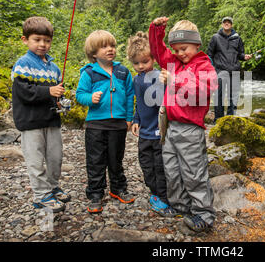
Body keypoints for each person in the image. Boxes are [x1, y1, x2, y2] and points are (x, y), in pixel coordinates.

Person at [149, 16, 217, 232]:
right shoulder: (173, 63)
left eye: (184, 48)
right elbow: (157, 51)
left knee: (194, 173)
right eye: (176, 49)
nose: (180, 53)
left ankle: (204, 215)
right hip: (170, 127)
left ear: (197, 45)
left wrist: (174, 80)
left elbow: (204, 90)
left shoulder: (204, 65)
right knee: (172, 169)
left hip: (191, 129)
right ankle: (181, 206)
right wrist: (156, 29)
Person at [11, 16, 70, 213]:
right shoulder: (22, 64)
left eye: (47, 40)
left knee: (55, 158)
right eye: (37, 39)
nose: (42, 44)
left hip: (52, 120)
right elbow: (24, 93)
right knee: (35, 160)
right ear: (25, 40)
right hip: (30, 122)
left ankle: (52, 187)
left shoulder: (53, 68)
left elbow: (56, 94)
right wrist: (49, 92)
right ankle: (40, 195)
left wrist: (61, 101)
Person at [76, 30, 135, 214]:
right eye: (104, 47)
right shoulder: (89, 73)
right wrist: (90, 98)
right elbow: (80, 95)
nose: (110, 49)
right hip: (95, 124)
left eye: (112, 46)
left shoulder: (123, 71)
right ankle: (95, 194)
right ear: (93, 53)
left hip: (118, 124)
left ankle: (118, 188)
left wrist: (128, 118)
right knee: (95, 161)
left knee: (116, 159)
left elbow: (130, 95)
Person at [126, 31, 169, 213]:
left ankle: (164, 196)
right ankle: (154, 192)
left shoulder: (161, 76)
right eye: (136, 63)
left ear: (153, 59)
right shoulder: (136, 80)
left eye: (145, 61)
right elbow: (139, 102)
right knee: (146, 164)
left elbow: (167, 103)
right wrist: (136, 119)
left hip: (160, 133)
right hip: (144, 133)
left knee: (161, 166)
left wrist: (167, 82)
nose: (141, 66)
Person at [207, 17, 252, 122]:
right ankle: (218, 120)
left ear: (231, 25)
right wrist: (212, 69)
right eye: (225, 22)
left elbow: (240, 54)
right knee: (219, 97)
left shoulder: (237, 38)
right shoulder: (215, 38)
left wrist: (244, 57)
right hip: (220, 71)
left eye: (229, 22)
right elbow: (209, 55)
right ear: (222, 24)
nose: (226, 24)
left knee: (234, 97)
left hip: (235, 71)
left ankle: (230, 119)